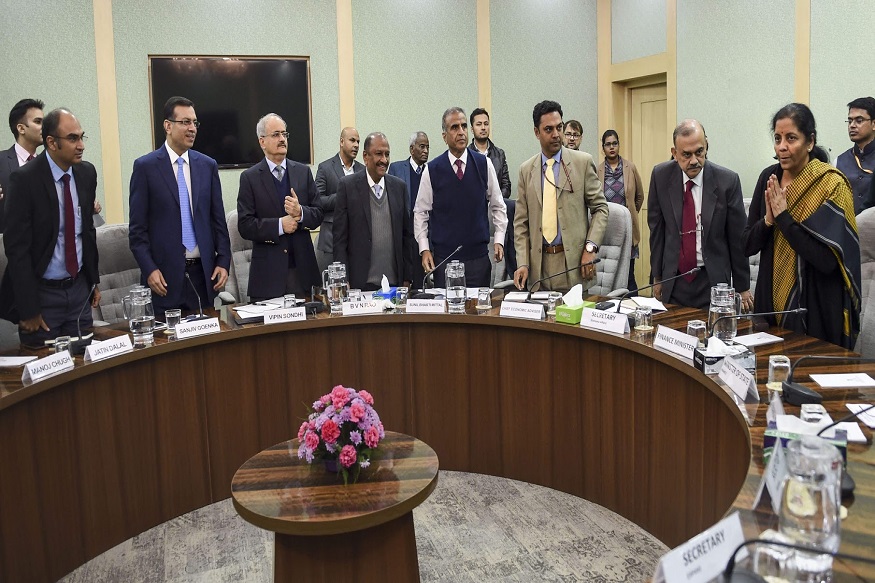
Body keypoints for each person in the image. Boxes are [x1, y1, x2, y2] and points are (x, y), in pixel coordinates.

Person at [743, 103, 861, 348]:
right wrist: (768, 220)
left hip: (815, 307)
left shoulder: (831, 184)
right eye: (777, 138)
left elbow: (827, 261)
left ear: (810, 142)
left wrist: (784, 218)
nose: (782, 146)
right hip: (769, 304)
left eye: (791, 138)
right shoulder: (769, 178)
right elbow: (747, 245)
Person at [0, 108, 100, 347]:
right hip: (43, 294)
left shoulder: (86, 173)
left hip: (78, 291)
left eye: (81, 137)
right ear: (51, 143)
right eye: (72, 138)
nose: (81, 146)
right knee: (48, 372)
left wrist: (93, 280)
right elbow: (17, 249)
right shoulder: (25, 180)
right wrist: (29, 308)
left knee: (86, 368)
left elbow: (87, 231)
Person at [129, 96, 231, 317]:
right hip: (163, 280)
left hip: (203, 278)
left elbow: (218, 220)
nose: (192, 128)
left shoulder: (207, 165)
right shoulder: (145, 167)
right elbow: (137, 231)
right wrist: (150, 270)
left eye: (195, 122)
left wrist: (223, 260)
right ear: (168, 126)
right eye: (185, 122)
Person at [648, 120, 751, 309]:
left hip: (712, 280)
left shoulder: (727, 181)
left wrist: (742, 287)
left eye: (699, 152)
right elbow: (657, 231)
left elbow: (737, 239)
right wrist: (658, 277)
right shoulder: (660, 176)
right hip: (675, 278)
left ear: (706, 146)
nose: (694, 160)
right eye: (686, 155)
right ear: (674, 153)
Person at [513, 101, 609, 292]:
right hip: (538, 270)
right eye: (548, 129)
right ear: (536, 132)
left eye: (559, 127)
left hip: (573, 265)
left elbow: (601, 209)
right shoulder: (526, 170)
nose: (556, 134)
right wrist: (523, 262)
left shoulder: (582, 163)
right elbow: (520, 224)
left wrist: (590, 248)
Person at [413, 107, 507, 288]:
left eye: (464, 126)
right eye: (454, 127)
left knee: (478, 314)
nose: (461, 132)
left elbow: (498, 205)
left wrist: (499, 239)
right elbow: (420, 212)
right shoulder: (432, 170)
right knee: (449, 315)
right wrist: (424, 249)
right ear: (444, 136)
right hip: (445, 260)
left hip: (478, 260)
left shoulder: (483, 164)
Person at [237, 113, 323, 300]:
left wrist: (301, 213)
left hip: (303, 273)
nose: (282, 139)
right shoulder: (250, 178)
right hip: (268, 275)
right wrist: (279, 226)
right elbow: (245, 225)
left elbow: (318, 214)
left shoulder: (303, 172)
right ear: (262, 142)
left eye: (284, 134)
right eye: (276, 135)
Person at [334, 132, 413, 290]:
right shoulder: (347, 187)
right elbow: (340, 240)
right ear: (365, 156)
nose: (384, 160)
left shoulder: (399, 187)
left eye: (387, 154)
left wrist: (407, 277)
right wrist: (343, 279)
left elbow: (407, 236)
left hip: (394, 284)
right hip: (360, 284)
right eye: (378, 154)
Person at [468, 107, 517, 277]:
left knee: (511, 206)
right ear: (472, 128)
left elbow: (506, 185)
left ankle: (512, 269)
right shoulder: (466, 156)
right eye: (479, 124)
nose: (483, 127)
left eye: (486, 124)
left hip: (496, 206)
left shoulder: (499, 154)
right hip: (476, 210)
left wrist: (495, 200)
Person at [597, 129, 644, 292]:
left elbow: (639, 196)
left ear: (619, 145)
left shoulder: (630, 167)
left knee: (628, 276)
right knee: (607, 277)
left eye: (614, 143)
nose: (612, 147)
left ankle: (633, 311)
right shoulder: (598, 170)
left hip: (627, 231)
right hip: (607, 232)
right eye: (608, 144)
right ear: (603, 147)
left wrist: (629, 216)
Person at [314, 127, 364, 272]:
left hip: (357, 241)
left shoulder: (362, 170)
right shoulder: (325, 168)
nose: (356, 145)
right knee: (332, 289)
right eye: (352, 140)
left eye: (358, 142)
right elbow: (318, 201)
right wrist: (343, 196)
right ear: (342, 142)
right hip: (331, 240)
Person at [0, 99, 44, 231]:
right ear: (21, 128)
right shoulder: (1, 161)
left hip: (45, 245)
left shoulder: (48, 165)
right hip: (8, 245)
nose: (45, 127)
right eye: (38, 122)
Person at [834, 96, 875, 213]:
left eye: (859, 120)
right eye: (850, 120)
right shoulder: (838, 162)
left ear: (873, 124)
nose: (852, 125)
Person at [388, 131, 430, 211]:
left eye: (427, 147)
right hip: (403, 222)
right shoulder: (396, 169)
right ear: (412, 149)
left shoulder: (430, 172)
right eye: (422, 146)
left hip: (424, 222)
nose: (426, 151)